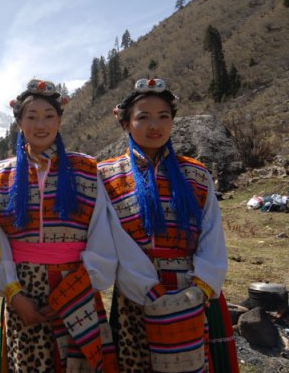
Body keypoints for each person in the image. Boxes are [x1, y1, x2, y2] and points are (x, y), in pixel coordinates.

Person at [97, 78, 239, 372]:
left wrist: (200, 288)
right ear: (126, 123)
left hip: (195, 293)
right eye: (143, 117)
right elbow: (115, 239)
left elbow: (212, 234)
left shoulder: (195, 173)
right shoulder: (107, 176)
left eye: (163, 116)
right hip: (136, 297)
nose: (155, 126)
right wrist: (149, 291)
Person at [0, 79, 118, 372]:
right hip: (23, 291)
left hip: (76, 287)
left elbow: (101, 233)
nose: (41, 124)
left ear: (60, 120)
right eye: (31, 117)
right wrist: (14, 294)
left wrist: (72, 291)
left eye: (49, 116)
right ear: (19, 123)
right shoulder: (0, 174)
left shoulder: (86, 169)